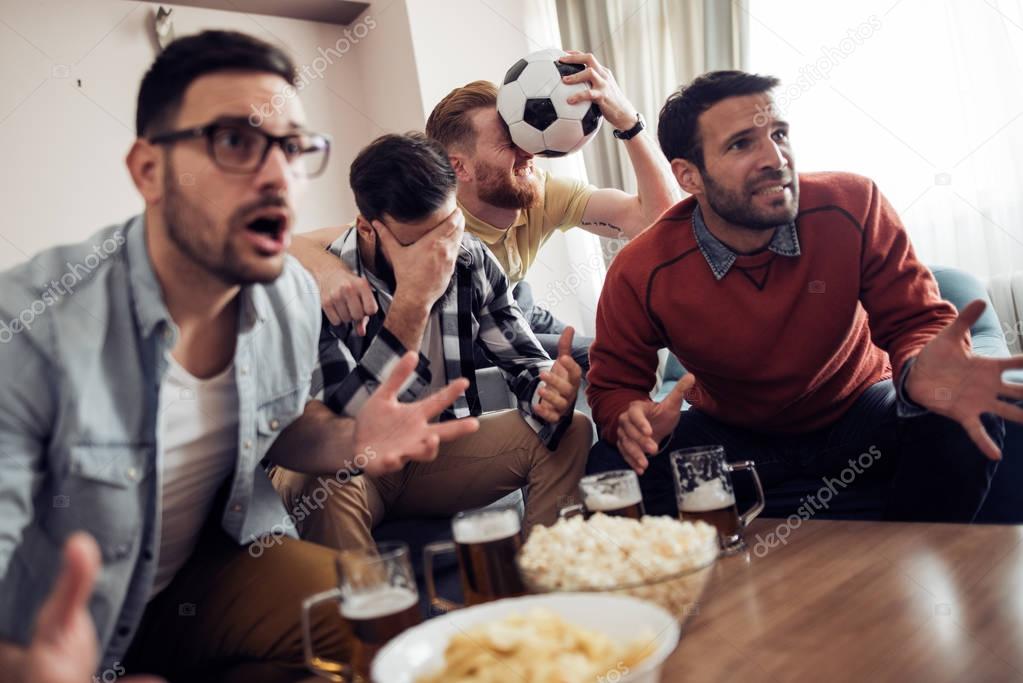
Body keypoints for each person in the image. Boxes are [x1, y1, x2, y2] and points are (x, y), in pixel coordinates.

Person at [0, 31, 477, 683]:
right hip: (52, 627)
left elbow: (284, 429)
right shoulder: (28, 328)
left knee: (370, 611)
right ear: (148, 170)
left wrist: (350, 437)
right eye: (234, 143)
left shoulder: (284, 295)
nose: (277, 175)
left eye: (292, 148)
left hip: (201, 578)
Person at [586, 70, 1023, 523]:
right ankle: (692, 588)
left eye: (778, 134)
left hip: (860, 410)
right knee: (611, 467)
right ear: (689, 176)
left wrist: (920, 367)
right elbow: (613, 383)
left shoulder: (853, 203)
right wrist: (629, 419)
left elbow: (917, 321)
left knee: (968, 409)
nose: (775, 157)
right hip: (734, 434)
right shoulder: (641, 268)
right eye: (741, 144)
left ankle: (911, 565)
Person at [270, 132, 592, 551]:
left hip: (434, 454)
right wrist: (413, 301)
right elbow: (337, 430)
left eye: (449, 226)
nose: (442, 250)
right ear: (368, 228)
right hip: (354, 464)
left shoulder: (471, 259)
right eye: (419, 241)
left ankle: (549, 586)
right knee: (317, 482)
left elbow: (524, 361)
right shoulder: (318, 287)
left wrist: (548, 390)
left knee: (570, 430)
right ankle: (377, 612)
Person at [288, 52, 681, 372]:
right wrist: (329, 272)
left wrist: (628, 122)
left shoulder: (539, 188)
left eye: (523, 129)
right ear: (460, 167)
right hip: (466, 322)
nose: (527, 149)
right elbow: (294, 244)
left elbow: (658, 221)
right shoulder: (436, 215)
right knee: (599, 364)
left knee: (625, 357)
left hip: (517, 303)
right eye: (507, 141)